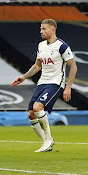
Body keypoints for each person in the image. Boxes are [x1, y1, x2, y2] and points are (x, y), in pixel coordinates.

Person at [11, 19, 77, 152]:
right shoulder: (41, 45)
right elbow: (37, 65)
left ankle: (48, 139)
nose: (41, 31)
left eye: (44, 29)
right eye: (41, 29)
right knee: (31, 114)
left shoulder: (61, 46)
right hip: (42, 82)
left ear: (52, 30)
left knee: (37, 107)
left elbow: (73, 66)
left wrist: (68, 86)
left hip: (56, 82)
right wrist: (24, 76)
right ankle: (46, 143)